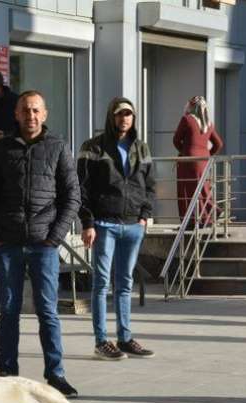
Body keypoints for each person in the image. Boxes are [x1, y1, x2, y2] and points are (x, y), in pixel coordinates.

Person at [0, 90, 81, 397]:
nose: (31, 116)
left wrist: (55, 237)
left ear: (45, 114)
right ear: (16, 114)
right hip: (8, 244)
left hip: (44, 244)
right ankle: (7, 372)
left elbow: (72, 197)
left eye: (36, 110)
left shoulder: (58, 148)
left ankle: (56, 374)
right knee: (8, 310)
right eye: (25, 110)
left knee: (48, 311)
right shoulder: (0, 150)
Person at [77, 97, 156, 361]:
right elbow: (82, 188)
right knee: (101, 283)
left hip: (133, 225)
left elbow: (150, 185)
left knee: (125, 283)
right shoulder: (93, 147)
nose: (125, 119)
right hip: (104, 225)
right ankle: (101, 341)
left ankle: (124, 338)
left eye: (129, 114)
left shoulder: (141, 148)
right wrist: (87, 222)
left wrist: (144, 217)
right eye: (120, 114)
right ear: (111, 117)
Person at [173, 95, 224, 223]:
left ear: (191, 106)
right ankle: (210, 215)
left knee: (188, 190)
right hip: (204, 160)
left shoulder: (187, 119)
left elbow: (176, 140)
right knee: (203, 189)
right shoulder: (208, 124)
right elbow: (219, 144)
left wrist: (184, 152)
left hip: (189, 161)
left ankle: (192, 221)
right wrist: (207, 155)